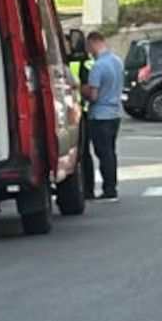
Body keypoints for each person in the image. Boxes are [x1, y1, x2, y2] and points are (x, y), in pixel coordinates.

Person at [84, 31, 123, 199]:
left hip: (100, 115)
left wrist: (80, 89)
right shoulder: (117, 61)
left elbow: (93, 95)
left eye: (88, 47)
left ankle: (108, 189)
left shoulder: (98, 66)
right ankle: (111, 186)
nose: (88, 51)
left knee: (103, 153)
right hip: (115, 113)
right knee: (110, 152)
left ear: (92, 44)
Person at [66, 24, 94, 201]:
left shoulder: (83, 62)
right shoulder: (68, 61)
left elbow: (88, 88)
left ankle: (87, 190)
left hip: (80, 111)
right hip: (69, 112)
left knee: (82, 154)